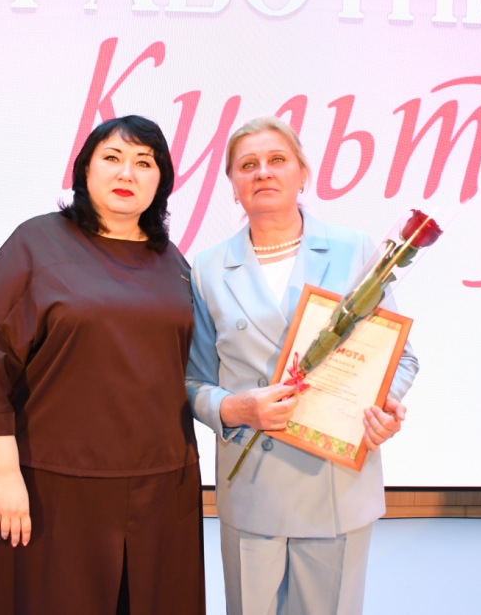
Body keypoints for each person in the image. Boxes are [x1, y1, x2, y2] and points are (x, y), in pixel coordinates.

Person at [0, 115, 204, 615]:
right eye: (112, 158)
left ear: (161, 181)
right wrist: (5, 475)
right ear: (85, 169)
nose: (126, 173)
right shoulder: (36, 244)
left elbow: (194, 366)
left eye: (144, 163)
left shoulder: (172, 261)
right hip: (55, 485)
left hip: (163, 486)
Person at [186, 116, 419, 615]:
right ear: (232, 185)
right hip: (252, 485)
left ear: (302, 173)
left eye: (277, 160)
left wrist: (382, 408)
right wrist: (235, 409)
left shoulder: (356, 250)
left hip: (335, 483)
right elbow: (193, 381)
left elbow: (400, 357)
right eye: (247, 165)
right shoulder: (206, 268)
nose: (263, 172)